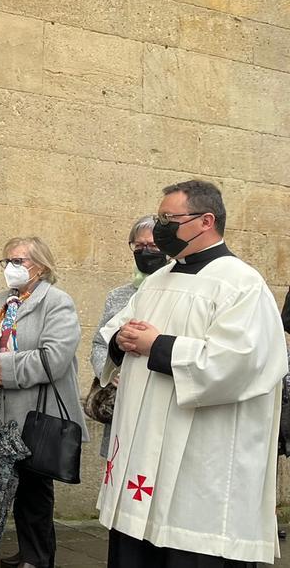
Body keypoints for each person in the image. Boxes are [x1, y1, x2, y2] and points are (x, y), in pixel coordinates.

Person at [98, 180, 286, 567]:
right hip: (141, 454)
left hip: (201, 468)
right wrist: (121, 339)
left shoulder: (241, 284)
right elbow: (114, 334)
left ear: (205, 221)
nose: (161, 227)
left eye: (170, 218)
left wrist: (159, 346)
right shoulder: (157, 280)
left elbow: (243, 362)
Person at [0, 236, 86, 568]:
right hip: (0, 413)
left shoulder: (57, 302)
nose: (11, 268)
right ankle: (25, 550)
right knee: (9, 484)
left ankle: (38, 557)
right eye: (7, 262)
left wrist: (1, 365)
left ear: (42, 266)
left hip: (37, 413)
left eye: (19, 262)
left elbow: (55, 358)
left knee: (34, 488)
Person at [89, 215, 166, 458]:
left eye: (152, 246)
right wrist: (109, 372)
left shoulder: (179, 291)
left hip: (159, 398)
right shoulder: (118, 296)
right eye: (139, 246)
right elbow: (100, 344)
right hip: (122, 400)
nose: (145, 251)